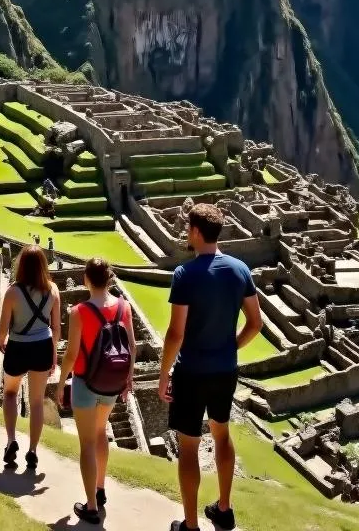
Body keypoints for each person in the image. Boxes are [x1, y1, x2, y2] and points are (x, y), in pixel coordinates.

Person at [157, 203, 263, 531]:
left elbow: (176, 333)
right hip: (225, 371)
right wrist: (231, 347)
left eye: (188, 228)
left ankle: (190, 525)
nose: (186, 233)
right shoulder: (239, 270)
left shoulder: (185, 275)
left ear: (197, 232)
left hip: (191, 372)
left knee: (188, 445)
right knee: (221, 434)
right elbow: (255, 323)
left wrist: (163, 375)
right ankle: (225, 508)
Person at [56, 258, 135, 525]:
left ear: (86, 279)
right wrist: (128, 378)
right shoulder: (124, 307)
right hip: (112, 382)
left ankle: (90, 506)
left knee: (87, 443)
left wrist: (60, 383)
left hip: (85, 383)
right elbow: (131, 347)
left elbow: (71, 354)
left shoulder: (79, 311)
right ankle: (100, 489)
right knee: (101, 433)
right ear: (109, 279)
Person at [0, 245, 61, 470]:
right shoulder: (52, 290)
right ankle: (32, 450)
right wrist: (54, 356)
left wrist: (1, 341)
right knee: (36, 402)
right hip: (42, 346)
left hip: (18, 346)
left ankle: (11, 439)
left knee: (11, 393)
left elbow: (2, 330)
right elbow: (56, 329)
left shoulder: (13, 292)